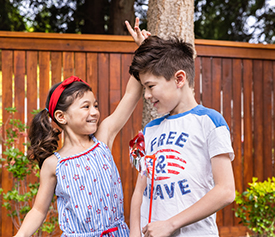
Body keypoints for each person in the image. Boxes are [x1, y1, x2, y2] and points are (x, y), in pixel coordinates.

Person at [14, 19, 148, 237]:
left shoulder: (103, 138)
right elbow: (38, 210)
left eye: (95, 105)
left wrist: (142, 50)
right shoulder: (53, 164)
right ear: (61, 116)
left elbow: (131, 95)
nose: (94, 111)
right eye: (85, 106)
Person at [128, 35, 236, 237]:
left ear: (179, 79)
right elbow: (139, 192)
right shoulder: (149, 131)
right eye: (144, 88)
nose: (147, 95)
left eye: (150, 86)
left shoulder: (210, 121)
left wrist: (170, 224)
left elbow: (226, 190)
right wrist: (135, 233)